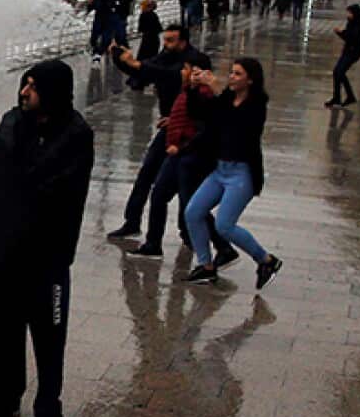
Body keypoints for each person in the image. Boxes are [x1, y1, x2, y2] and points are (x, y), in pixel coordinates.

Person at [0, 60, 94, 417]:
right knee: (7, 332)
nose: (24, 92)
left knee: (49, 334)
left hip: (51, 255)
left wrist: (19, 184)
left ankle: (49, 408)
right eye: (24, 83)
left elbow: (55, 188)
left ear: (52, 92)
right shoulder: (13, 121)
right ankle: (8, 397)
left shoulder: (76, 133)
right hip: (12, 249)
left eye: (33, 87)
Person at [113, 46, 236, 263]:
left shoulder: (205, 93)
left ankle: (221, 247)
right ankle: (154, 243)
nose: (183, 72)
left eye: (187, 69)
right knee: (161, 195)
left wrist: (181, 146)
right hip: (179, 152)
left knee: (191, 206)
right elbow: (190, 115)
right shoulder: (191, 90)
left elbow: (206, 125)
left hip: (188, 155)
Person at [183, 58, 284, 290]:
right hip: (220, 169)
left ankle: (267, 260)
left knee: (224, 225)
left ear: (250, 79)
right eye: (231, 73)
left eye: (237, 74)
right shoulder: (226, 99)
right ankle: (206, 266)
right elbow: (202, 113)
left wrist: (215, 87)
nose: (231, 77)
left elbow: (241, 125)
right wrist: (192, 87)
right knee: (193, 212)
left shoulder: (257, 104)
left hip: (242, 174)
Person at [106, 25, 205, 240]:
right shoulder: (165, 56)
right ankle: (132, 221)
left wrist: (138, 64)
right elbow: (145, 70)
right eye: (165, 40)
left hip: (189, 131)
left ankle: (187, 231)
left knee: (184, 183)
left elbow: (169, 75)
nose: (166, 45)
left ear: (183, 41)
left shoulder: (196, 60)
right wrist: (120, 58)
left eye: (171, 40)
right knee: (146, 175)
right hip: (168, 127)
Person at [327, 3, 360, 107]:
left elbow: (353, 38)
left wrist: (341, 33)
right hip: (347, 51)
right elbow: (348, 36)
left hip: (353, 52)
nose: (348, 15)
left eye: (349, 12)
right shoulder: (351, 23)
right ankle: (338, 97)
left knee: (340, 72)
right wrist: (341, 33)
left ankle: (348, 96)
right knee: (337, 72)